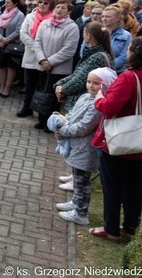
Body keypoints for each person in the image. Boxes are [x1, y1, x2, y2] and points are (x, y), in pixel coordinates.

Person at [90, 39, 142, 240]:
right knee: (135, 187)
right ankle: (130, 227)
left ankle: (111, 229)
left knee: (112, 186)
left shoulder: (130, 77)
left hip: (120, 141)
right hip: (138, 145)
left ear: (133, 53)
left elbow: (109, 107)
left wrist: (100, 97)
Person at [52, 67, 113, 226]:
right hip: (77, 145)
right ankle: (76, 202)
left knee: (82, 181)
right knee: (77, 177)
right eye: (88, 82)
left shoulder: (97, 104)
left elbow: (85, 126)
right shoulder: (85, 97)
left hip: (86, 147)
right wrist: (62, 121)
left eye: (96, 83)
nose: (90, 86)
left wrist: (64, 131)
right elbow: (72, 114)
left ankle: (81, 212)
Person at [33, 0, 81, 131]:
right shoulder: (45, 24)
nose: (59, 10)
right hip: (43, 66)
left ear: (69, 11)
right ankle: (41, 119)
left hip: (59, 69)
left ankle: (51, 124)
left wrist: (51, 61)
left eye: (63, 8)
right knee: (42, 93)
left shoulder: (72, 27)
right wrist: (43, 60)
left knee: (54, 97)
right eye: (58, 7)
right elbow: (38, 43)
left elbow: (69, 49)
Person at [54, 22, 114, 112]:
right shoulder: (96, 54)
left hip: (83, 104)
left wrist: (63, 89)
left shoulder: (97, 57)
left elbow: (80, 80)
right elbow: (77, 73)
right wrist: (60, 83)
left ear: (88, 36)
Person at [0, 0, 26, 97]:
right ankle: (1, 86)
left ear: (15, 3)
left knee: (10, 67)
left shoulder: (20, 15)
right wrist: (1, 39)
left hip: (13, 44)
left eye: (9, 2)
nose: (6, 4)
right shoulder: (3, 13)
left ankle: (7, 88)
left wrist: (7, 39)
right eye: (6, 2)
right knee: (1, 66)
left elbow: (18, 30)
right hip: (1, 44)